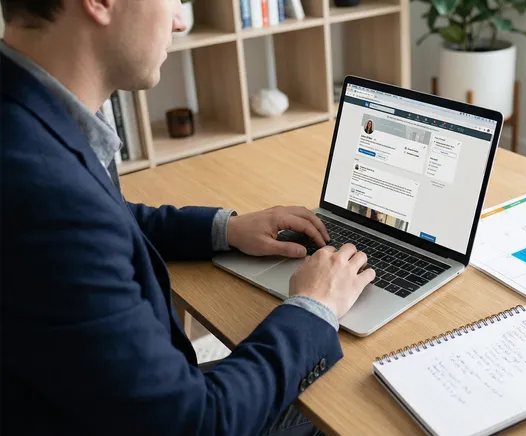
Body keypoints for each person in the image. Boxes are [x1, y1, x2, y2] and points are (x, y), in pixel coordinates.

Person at [0, 1, 374, 435]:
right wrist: (316, 305)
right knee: (347, 412)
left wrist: (226, 229)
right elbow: (199, 422)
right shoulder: (43, 192)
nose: (179, 21)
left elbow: (109, 220)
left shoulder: (32, 117)